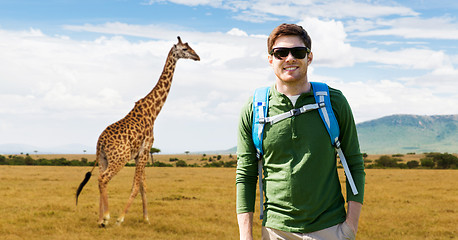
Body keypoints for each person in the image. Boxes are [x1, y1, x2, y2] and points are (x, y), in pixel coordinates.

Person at [236, 23, 365, 240]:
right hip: (276, 230)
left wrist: (350, 227)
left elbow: (354, 164)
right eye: (280, 53)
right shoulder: (254, 109)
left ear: (309, 57)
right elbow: (245, 175)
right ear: (270, 59)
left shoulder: (334, 102)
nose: (289, 58)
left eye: (298, 52)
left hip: (330, 228)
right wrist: (245, 236)